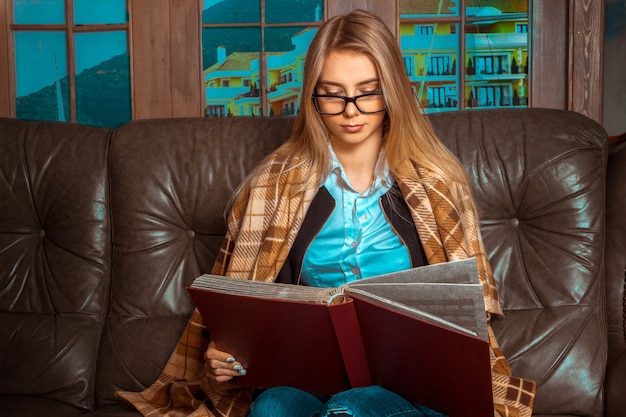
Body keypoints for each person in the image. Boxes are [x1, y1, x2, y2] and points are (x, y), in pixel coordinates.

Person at [118, 9, 535, 417]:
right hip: (310, 380)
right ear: (312, 96)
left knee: (353, 407)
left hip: (415, 387)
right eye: (333, 94)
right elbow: (241, 308)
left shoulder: (439, 182)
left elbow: (472, 312)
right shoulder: (273, 185)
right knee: (273, 407)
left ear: (392, 92)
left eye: (367, 91)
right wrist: (226, 356)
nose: (350, 110)